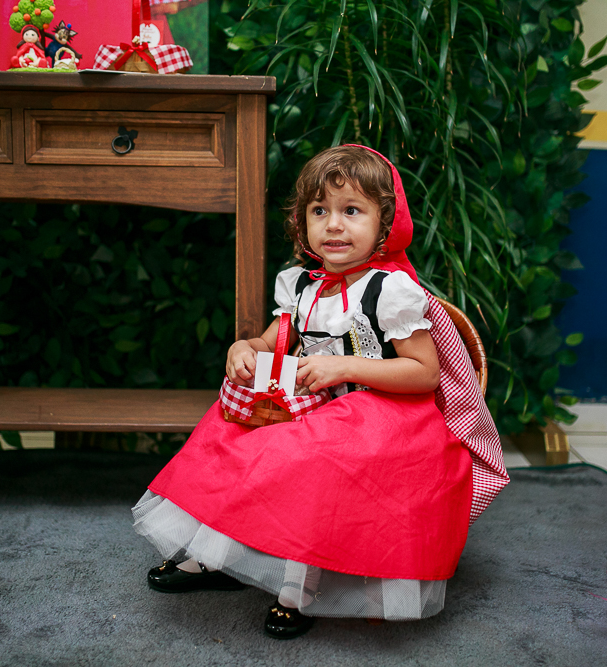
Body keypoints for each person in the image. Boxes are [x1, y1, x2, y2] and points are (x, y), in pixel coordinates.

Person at [132, 145, 509, 639]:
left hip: (386, 417)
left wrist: (345, 365)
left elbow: (424, 373)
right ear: (302, 221)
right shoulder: (302, 288)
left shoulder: (388, 290)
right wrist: (245, 349)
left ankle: (299, 586)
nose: (333, 225)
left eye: (351, 211)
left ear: (384, 223)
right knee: (226, 431)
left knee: (315, 457)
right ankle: (219, 555)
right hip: (315, 408)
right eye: (319, 211)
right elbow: (271, 341)